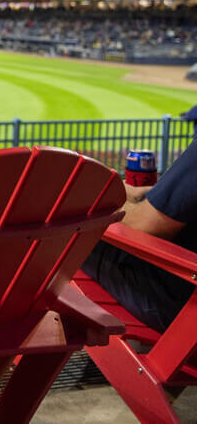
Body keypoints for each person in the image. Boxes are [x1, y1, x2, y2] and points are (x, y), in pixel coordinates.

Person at [81, 138, 197, 332]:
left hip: (177, 305)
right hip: (184, 288)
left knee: (71, 241)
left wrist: (97, 197)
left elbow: (145, 224)